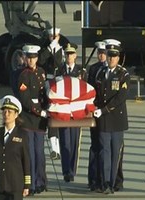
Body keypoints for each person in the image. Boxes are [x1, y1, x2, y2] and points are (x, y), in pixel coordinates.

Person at [93, 39, 130, 194]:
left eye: (114, 56)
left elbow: (120, 97)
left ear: (119, 57)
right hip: (103, 120)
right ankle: (105, 182)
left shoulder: (123, 74)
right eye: (109, 55)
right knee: (104, 152)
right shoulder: (100, 73)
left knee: (115, 154)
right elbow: (95, 94)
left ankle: (113, 182)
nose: (111, 59)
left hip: (116, 119)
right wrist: (93, 107)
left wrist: (103, 110)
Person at [17, 44, 48, 195]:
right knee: (30, 154)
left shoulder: (41, 72)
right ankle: (30, 184)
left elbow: (45, 94)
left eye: (34, 57)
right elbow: (25, 99)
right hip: (29, 118)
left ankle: (41, 181)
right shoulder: (24, 75)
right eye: (29, 58)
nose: (31, 60)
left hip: (40, 120)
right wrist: (39, 111)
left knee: (39, 153)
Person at [0, 95, 31, 200]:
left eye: (9, 112)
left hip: (15, 185)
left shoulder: (22, 134)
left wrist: (27, 184)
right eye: (4, 111)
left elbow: (26, 160)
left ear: (16, 114)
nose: (6, 114)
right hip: (0, 184)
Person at [56, 43, 86, 182]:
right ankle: (66, 171)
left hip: (76, 113)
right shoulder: (59, 70)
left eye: (71, 54)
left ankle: (72, 170)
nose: (69, 56)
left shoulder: (82, 71)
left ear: (75, 56)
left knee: (74, 142)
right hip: (63, 112)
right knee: (64, 141)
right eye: (67, 54)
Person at [38, 27, 65, 160]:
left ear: (59, 37)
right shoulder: (46, 49)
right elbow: (41, 60)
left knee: (55, 116)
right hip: (47, 83)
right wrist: (50, 49)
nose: (53, 39)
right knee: (48, 115)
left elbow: (60, 64)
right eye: (51, 37)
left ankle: (57, 148)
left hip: (58, 85)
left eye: (55, 37)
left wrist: (56, 49)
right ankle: (53, 147)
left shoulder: (61, 50)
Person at [87, 41, 107, 191]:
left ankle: (105, 179)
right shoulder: (93, 69)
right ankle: (93, 179)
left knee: (104, 147)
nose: (101, 55)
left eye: (104, 52)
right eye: (99, 52)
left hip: (106, 113)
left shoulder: (113, 70)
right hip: (95, 112)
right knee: (94, 146)